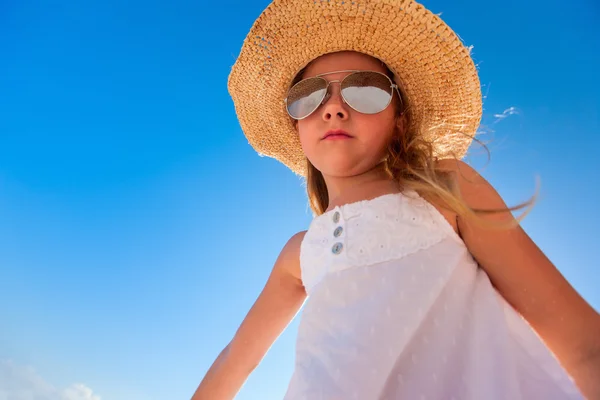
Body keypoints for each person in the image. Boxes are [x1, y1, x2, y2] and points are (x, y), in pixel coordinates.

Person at [192, 0, 600, 398]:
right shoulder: (297, 254)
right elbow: (235, 360)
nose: (333, 107)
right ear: (296, 125)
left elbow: (583, 343)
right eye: (309, 95)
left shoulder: (445, 189)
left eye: (365, 91)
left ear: (399, 121)